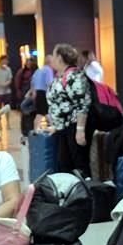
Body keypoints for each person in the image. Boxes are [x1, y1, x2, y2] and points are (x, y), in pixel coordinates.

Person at [46, 43, 93, 177]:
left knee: (78, 163)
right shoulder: (60, 76)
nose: (51, 59)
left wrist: (80, 130)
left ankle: (85, 192)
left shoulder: (74, 76)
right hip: (63, 129)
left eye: (54, 56)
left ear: (60, 58)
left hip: (73, 127)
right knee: (64, 164)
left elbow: (82, 104)